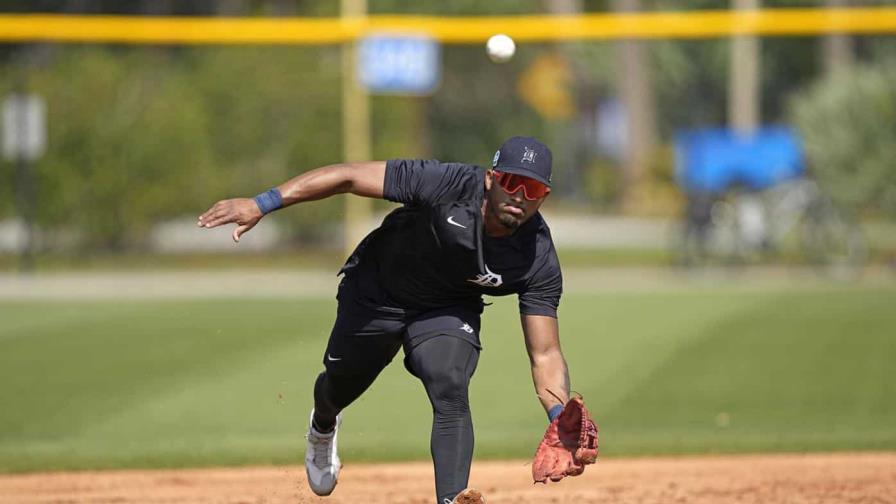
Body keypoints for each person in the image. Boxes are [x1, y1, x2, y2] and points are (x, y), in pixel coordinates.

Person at [198, 136, 571, 504]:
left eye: (532, 187)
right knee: (341, 385)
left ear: (544, 197)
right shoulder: (448, 184)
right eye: (511, 181)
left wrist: (559, 415)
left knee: (450, 383)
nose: (519, 195)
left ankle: (451, 499)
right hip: (377, 291)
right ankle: (323, 425)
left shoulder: (536, 256)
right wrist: (262, 203)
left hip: (446, 307)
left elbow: (546, 353)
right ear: (491, 178)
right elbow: (347, 176)